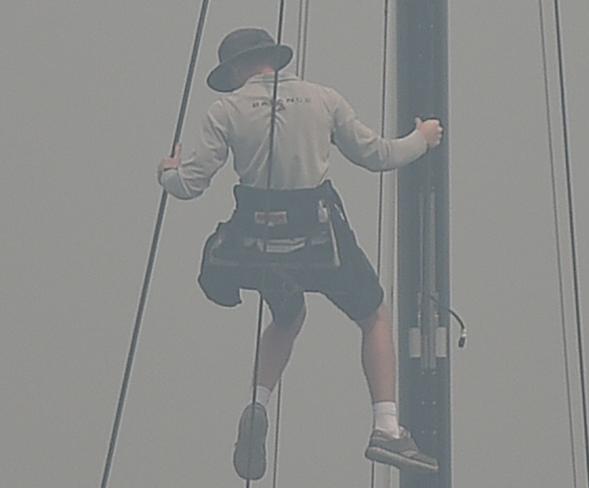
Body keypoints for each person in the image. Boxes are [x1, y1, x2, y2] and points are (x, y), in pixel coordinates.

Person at [158, 28, 444, 480]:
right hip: (318, 242)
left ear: (235, 69)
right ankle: (386, 428)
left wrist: (167, 172)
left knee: (287, 317)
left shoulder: (225, 110)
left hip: (256, 248)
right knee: (374, 316)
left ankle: (257, 401)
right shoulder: (323, 99)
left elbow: (188, 186)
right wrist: (423, 138)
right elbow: (378, 155)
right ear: (274, 59)